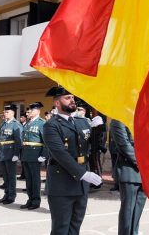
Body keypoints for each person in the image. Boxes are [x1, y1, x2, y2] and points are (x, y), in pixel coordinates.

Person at [43, 85, 102, 235]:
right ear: (57, 103)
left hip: (81, 185)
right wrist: (83, 174)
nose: (72, 100)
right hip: (62, 183)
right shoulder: (51, 125)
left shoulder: (81, 122)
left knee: (75, 227)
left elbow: (93, 147)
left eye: (73, 98)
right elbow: (60, 154)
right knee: (61, 229)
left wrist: (99, 129)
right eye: (67, 98)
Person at [110, 119, 147, 235]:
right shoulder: (118, 121)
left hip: (144, 172)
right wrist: (142, 163)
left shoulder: (142, 119)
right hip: (129, 171)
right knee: (128, 210)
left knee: (138, 211)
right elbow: (124, 146)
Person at [21, 101, 47, 210]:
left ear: (37, 111)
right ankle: (30, 199)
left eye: (30, 111)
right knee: (28, 179)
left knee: (35, 179)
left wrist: (44, 154)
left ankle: (36, 201)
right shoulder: (28, 123)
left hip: (35, 154)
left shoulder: (42, 123)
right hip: (26, 154)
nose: (28, 113)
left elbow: (46, 141)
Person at [0, 104, 22, 205]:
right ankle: (6, 194)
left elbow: (18, 141)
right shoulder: (4, 124)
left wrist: (16, 154)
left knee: (11, 176)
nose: (5, 113)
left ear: (12, 113)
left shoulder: (16, 124)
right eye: (4, 112)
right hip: (3, 153)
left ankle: (11, 196)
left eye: (7, 112)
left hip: (11, 154)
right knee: (5, 176)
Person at [89, 108, 107, 188]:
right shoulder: (96, 123)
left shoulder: (98, 123)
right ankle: (96, 181)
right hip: (94, 148)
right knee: (95, 165)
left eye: (92, 112)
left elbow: (101, 138)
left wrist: (100, 147)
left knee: (97, 165)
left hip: (96, 149)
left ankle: (98, 181)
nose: (91, 113)